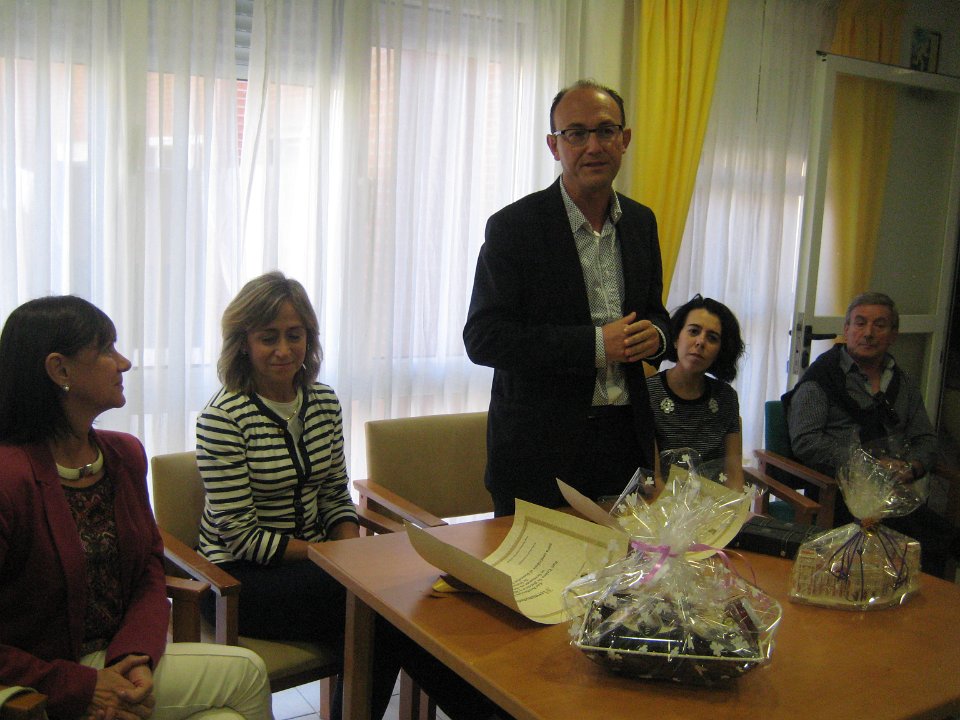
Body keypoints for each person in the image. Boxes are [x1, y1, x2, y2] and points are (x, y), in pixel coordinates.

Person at [197, 272, 508, 720]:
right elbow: (241, 537)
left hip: (318, 565)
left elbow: (334, 497)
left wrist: (350, 550)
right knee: (386, 614)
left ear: (310, 338)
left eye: (295, 335)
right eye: (268, 337)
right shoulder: (222, 418)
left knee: (389, 611)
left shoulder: (323, 402)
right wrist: (337, 559)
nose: (284, 349)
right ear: (243, 343)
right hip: (237, 580)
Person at [0, 296, 272, 720]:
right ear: (60, 370)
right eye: (106, 349)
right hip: (39, 686)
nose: (124, 363)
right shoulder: (8, 477)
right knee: (247, 673)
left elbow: (149, 568)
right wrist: (81, 686)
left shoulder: (123, 455)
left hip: (117, 663)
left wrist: (136, 657)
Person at [464, 79, 670, 516]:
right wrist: (597, 345)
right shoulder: (514, 228)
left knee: (621, 560)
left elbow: (655, 312)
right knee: (536, 564)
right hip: (538, 450)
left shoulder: (641, 222)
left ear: (624, 139)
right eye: (576, 133)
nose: (593, 146)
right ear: (554, 145)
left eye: (606, 131)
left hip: (623, 442)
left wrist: (657, 336)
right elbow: (484, 338)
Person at [786, 291, 960, 577]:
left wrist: (912, 467)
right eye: (860, 323)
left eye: (879, 325)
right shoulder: (820, 379)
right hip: (839, 492)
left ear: (893, 335)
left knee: (926, 543)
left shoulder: (904, 384)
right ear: (846, 330)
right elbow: (807, 442)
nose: (868, 333)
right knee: (931, 539)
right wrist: (869, 466)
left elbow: (926, 439)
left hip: (898, 491)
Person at [646, 295, 745, 491]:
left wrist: (736, 507)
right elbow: (653, 479)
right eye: (693, 331)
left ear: (720, 351)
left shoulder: (726, 398)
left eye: (712, 338)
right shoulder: (649, 392)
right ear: (676, 338)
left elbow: (734, 476)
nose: (700, 342)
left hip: (714, 503)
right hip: (660, 501)